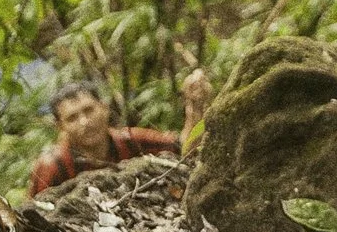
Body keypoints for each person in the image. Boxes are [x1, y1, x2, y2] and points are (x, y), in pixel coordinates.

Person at [27, 70, 211, 195]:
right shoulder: (53, 166)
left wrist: (194, 106)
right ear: (60, 127)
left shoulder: (129, 140)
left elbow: (184, 149)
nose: (85, 122)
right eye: (72, 118)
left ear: (104, 109)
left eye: (89, 110)